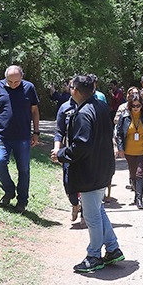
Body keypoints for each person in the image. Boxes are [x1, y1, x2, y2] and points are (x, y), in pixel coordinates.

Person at [52, 74, 124, 273]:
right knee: (98, 210)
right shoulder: (100, 106)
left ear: (75, 90)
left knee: (92, 216)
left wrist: (61, 154)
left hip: (89, 172)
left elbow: (81, 145)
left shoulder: (84, 113)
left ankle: (94, 256)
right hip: (102, 169)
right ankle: (112, 248)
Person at [0, 64, 40, 213]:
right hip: (1, 135)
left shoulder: (29, 88)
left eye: (17, 82)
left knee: (24, 170)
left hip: (22, 137)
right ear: (5, 77)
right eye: (10, 81)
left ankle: (22, 202)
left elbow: (34, 111)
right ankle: (9, 190)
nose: (13, 85)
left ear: (22, 77)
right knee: (0, 162)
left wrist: (36, 132)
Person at [51, 84, 81, 222]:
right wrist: (57, 149)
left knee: (85, 184)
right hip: (69, 152)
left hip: (86, 154)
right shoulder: (64, 108)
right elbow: (59, 131)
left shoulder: (91, 107)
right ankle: (75, 204)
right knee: (68, 183)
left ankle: (85, 215)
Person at [115, 93, 143, 209]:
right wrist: (120, 148)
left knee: (140, 173)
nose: (136, 108)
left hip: (142, 151)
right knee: (133, 174)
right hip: (129, 151)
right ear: (129, 106)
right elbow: (119, 133)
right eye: (133, 106)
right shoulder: (125, 116)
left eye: (138, 105)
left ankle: (139, 199)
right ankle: (135, 192)